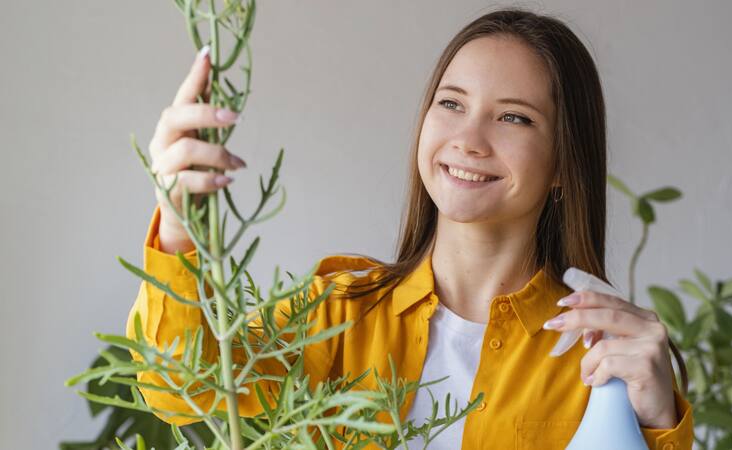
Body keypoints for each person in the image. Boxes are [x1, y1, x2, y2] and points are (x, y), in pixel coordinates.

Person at [128, 7, 693, 449]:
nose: (468, 139)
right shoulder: (336, 316)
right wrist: (178, 222)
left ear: (565, 165)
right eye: (451, 103)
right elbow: (181, 387)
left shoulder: (600, 356)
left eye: (514, 116)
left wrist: (655, 421)